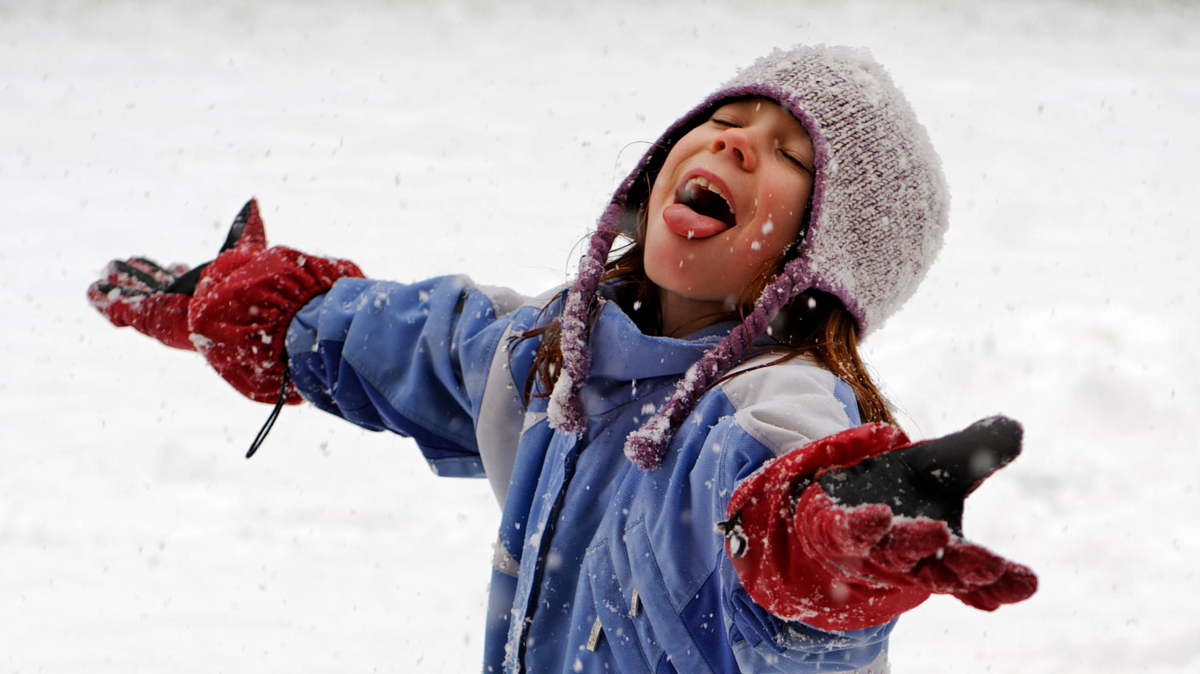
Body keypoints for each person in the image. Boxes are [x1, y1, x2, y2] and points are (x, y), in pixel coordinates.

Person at [88, 45, 1037, 674]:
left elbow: (778, 534)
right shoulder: (565, 359)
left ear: (823, 257)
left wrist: (821, 549)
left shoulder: (766, 410)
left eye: (788, 151)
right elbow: (423, 341)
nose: (737, 142)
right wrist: (272, 311)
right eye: (728, 120)